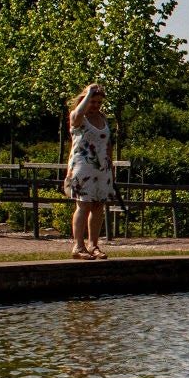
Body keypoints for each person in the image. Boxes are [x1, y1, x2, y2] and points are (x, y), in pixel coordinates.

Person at [65, 82, 116, 259]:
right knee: (83, 204)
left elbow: (108, 143)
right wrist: (88, 95)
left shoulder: (103, 118)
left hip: (102, 167)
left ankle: (93, 244)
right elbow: (75, 118)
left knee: (98, 206)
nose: (95, 106)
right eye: (92, 102)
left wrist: (111, 167)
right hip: (83, 166)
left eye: (98, 103)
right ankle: (78, 246)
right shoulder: (79, 116)